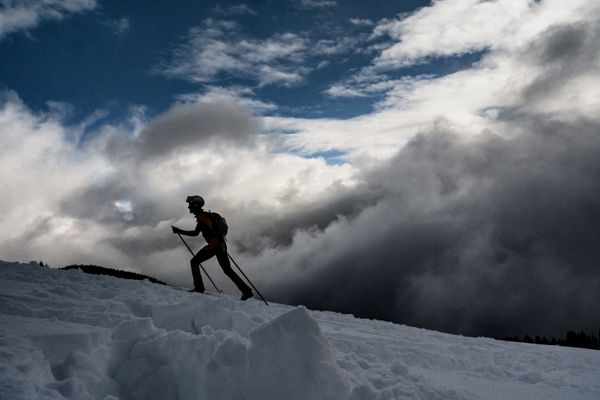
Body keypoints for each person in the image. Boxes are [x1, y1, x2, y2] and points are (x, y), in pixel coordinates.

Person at [172, 195, 254, 301]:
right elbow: (196, 233)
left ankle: (199, 288)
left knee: (194, 262)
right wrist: (179, 231)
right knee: (227, 270)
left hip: (214, 245)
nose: (189, 207)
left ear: (195, 205)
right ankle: (246, 291)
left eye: (190, 205)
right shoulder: (204, 216)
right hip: (221, 245)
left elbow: (208, 232)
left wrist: (212, 245)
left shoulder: (203, 217)